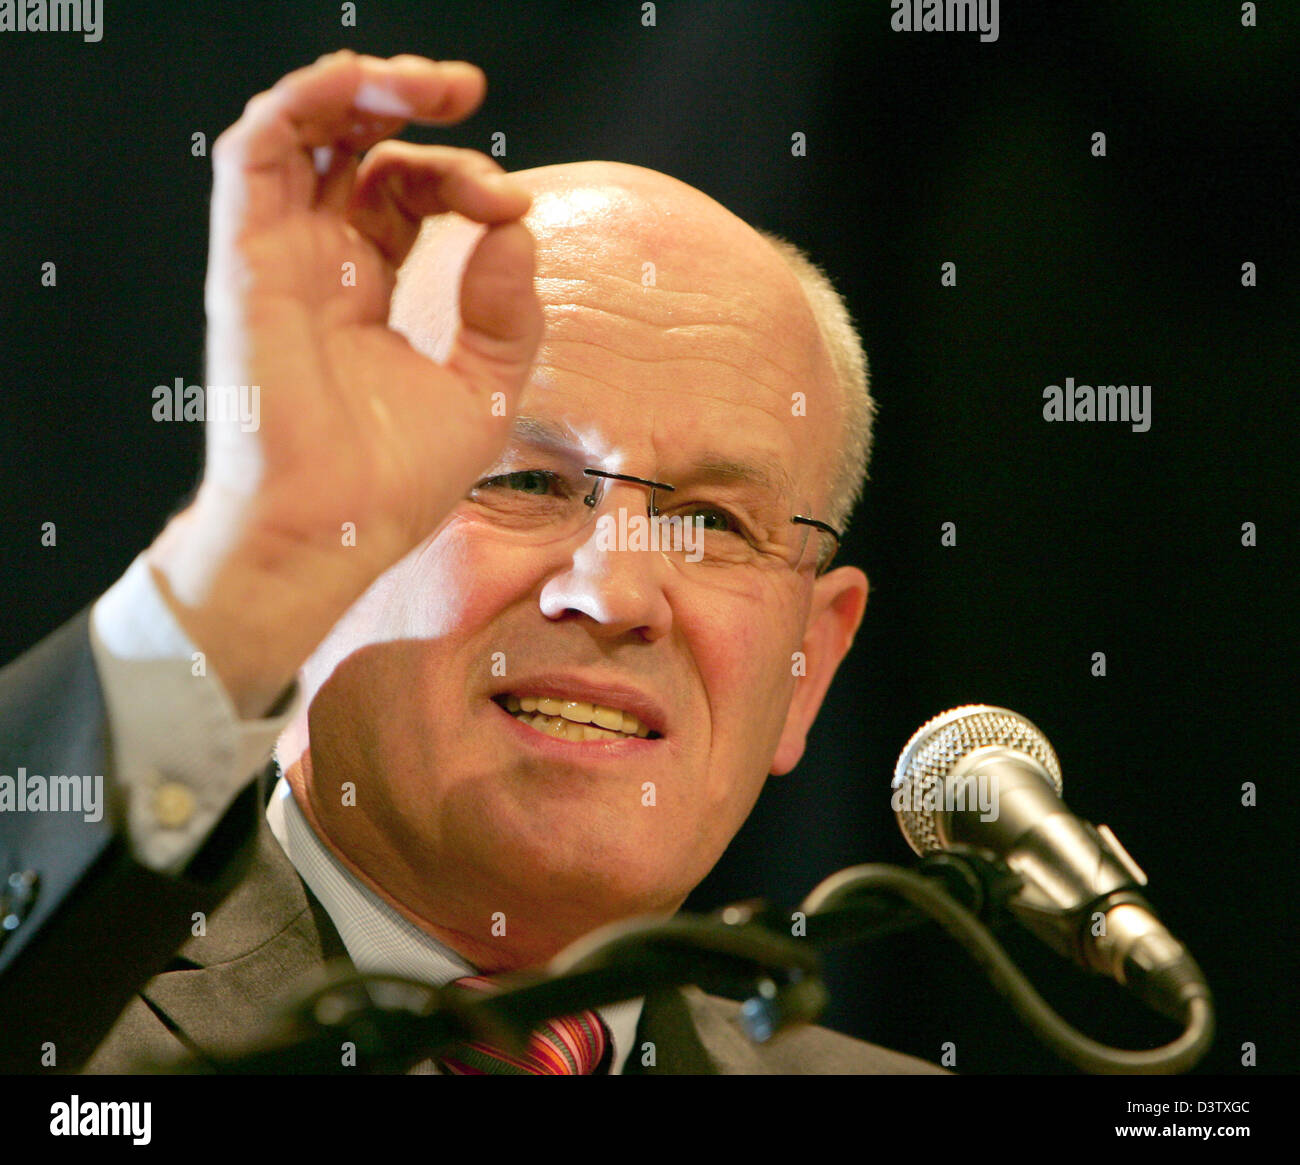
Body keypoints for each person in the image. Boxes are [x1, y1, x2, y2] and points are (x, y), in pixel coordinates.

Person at [0, 51, 939, 1074]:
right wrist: (240, 571)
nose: (612, 591)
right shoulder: (70, 1023)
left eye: (713, 522)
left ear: (809, 662)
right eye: (526, 483)